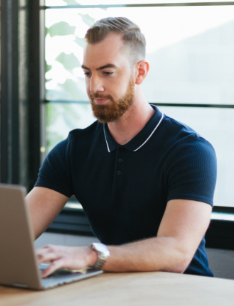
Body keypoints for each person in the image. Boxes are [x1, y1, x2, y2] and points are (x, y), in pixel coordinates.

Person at [27, 17, 217, 278]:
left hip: (183, 293)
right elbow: (15, 232)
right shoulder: (72, 151)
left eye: (107, 72)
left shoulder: (190, 152)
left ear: (140, 72)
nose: (94, 87)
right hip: (113, 291)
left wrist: (90, 255)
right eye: (87, 73)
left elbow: (176, 253)